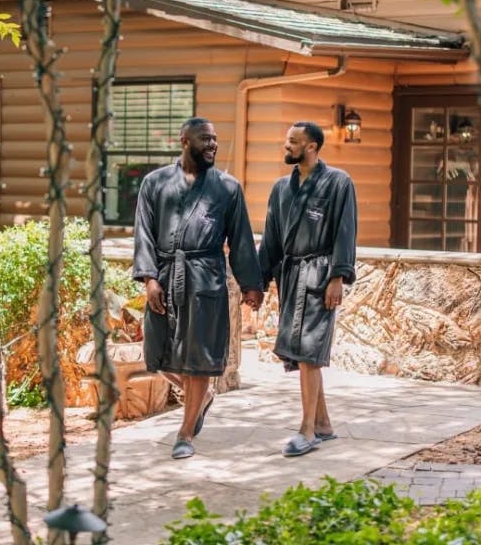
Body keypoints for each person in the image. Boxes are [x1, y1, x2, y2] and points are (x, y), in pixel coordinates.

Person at [133, 117, 265, 459]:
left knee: (199, 359)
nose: (212, 145)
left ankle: (186, 432)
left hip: (206, 278)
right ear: (184, 141)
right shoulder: (155, 183)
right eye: (205, 139)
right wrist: (149, 279)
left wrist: (251, 284)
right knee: (157, 354)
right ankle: (202, 396)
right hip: (164, 274)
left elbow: (240, 240)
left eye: (215, 140)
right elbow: (144, 233)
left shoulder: (227, 188)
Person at [258, 121, 358, 457]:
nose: (286, 147)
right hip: (291, 275)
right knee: (301, 353)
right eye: (286, 142)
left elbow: (346, 232)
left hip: (320, 275)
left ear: (312, 146)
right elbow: (271, 239)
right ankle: (324, 424)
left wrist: (337, 276)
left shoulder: (338, 183)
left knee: (308, 352)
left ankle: (307, 430)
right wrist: (257, 283)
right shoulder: (281, 189)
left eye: (293, 142)